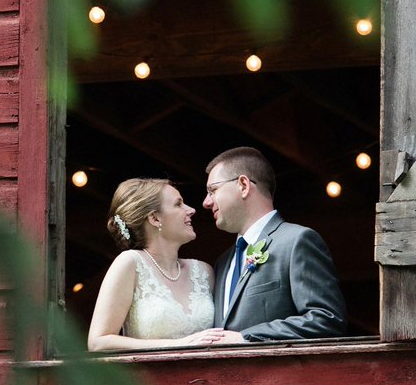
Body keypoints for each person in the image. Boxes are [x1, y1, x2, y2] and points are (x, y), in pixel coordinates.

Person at [202, 147, 348, 342]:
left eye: (213, 190)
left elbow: (326, 319)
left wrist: (245, 337)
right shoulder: (222, 262)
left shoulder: (297, 241)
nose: (206, 202)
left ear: (243, 185)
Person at [87, 178, 225, 351]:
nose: (191, 210)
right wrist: (177, 345)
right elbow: (98, 342)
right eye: (178, 204)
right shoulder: (130, 263)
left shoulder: (204, 272)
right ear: (154, 218)